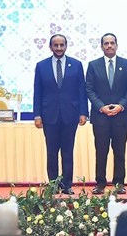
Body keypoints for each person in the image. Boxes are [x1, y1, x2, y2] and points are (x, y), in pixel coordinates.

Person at [33, 34, 88, 195]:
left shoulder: (76, 65)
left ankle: (67, 185)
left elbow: (81, 90)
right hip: (49, 115)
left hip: (70, 115)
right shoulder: (41, 66)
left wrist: (84, 112)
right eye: (55, 45)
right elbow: (38, 92)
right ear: (50, 47)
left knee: (67, 151)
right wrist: (37, 115)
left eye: (61, 45)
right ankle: (53, 185)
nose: (59, 48)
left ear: (66, 46)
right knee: (51, 152)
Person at [86, 33, 127, 195]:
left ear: (117, 45)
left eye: (112, 43)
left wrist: (121, 106)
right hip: (100, 117)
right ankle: (100, 183)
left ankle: (119, 183)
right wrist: (101, 107)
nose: (109, 46)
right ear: (101, 46)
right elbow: (89, 89)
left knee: (119, 151)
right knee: (101, 151)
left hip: (120, 117)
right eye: (106, 43)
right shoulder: (93, 65)